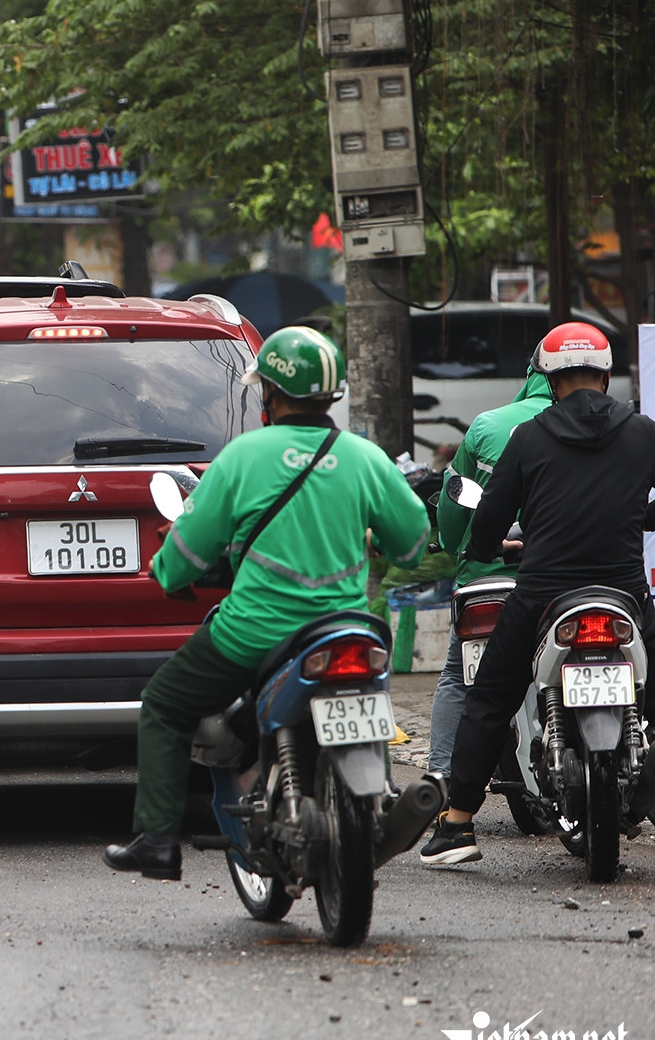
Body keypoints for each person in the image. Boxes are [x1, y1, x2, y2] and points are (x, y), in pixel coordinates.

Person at [103, 326, 431, 881]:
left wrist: (167, 572)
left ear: (271, 395)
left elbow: (184, 552)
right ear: (330, 396)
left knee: (163, 704)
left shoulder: (243, 457)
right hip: (347, 630)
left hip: (254, 635)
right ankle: (382, 793)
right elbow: (415, 542)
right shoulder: (364, 458)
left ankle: (157, 839)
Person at [428, 322, 655, 862]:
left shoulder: (529, 438)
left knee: (488, 699)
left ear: (548, 381)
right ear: (605, 374)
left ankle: (457, 825)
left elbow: (484, 528)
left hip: (543, 595)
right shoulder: (644, 432)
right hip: (624, 594)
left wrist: (498, 544)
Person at [418, 370, 551, 864]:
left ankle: (440, 783)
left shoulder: (489, 427)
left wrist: (460, 545)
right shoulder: (616, 429)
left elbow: (457, 512)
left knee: (459, 678)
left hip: (487, 578)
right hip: (565, 576)